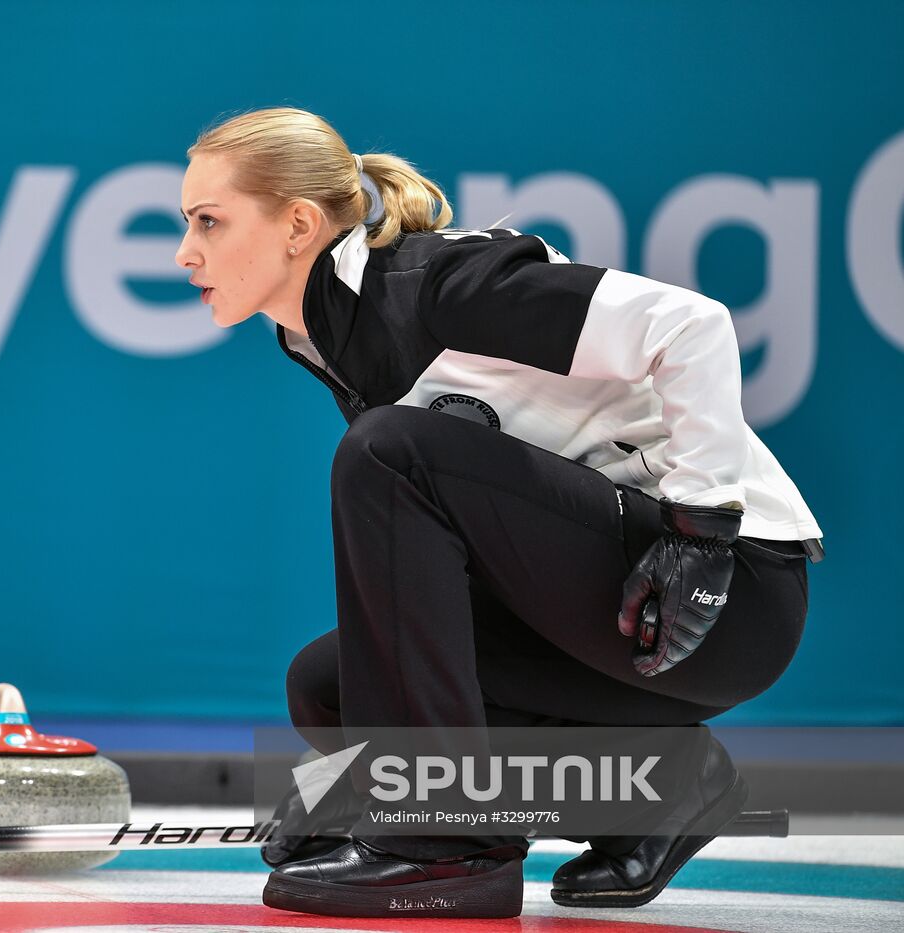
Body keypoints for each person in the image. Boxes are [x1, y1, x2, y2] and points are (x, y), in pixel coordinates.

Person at [174, 108, 824, 920]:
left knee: (390, 451)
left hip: (728, 595)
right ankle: (659, 788)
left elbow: (694, 327)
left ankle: (441, 845)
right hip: (617, 620)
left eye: (208, 221)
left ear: (298, 224)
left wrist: (700, 533)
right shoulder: (326, 335)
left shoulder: (437, 285)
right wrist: (361, 776)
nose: (184, 251)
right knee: (331, 690)